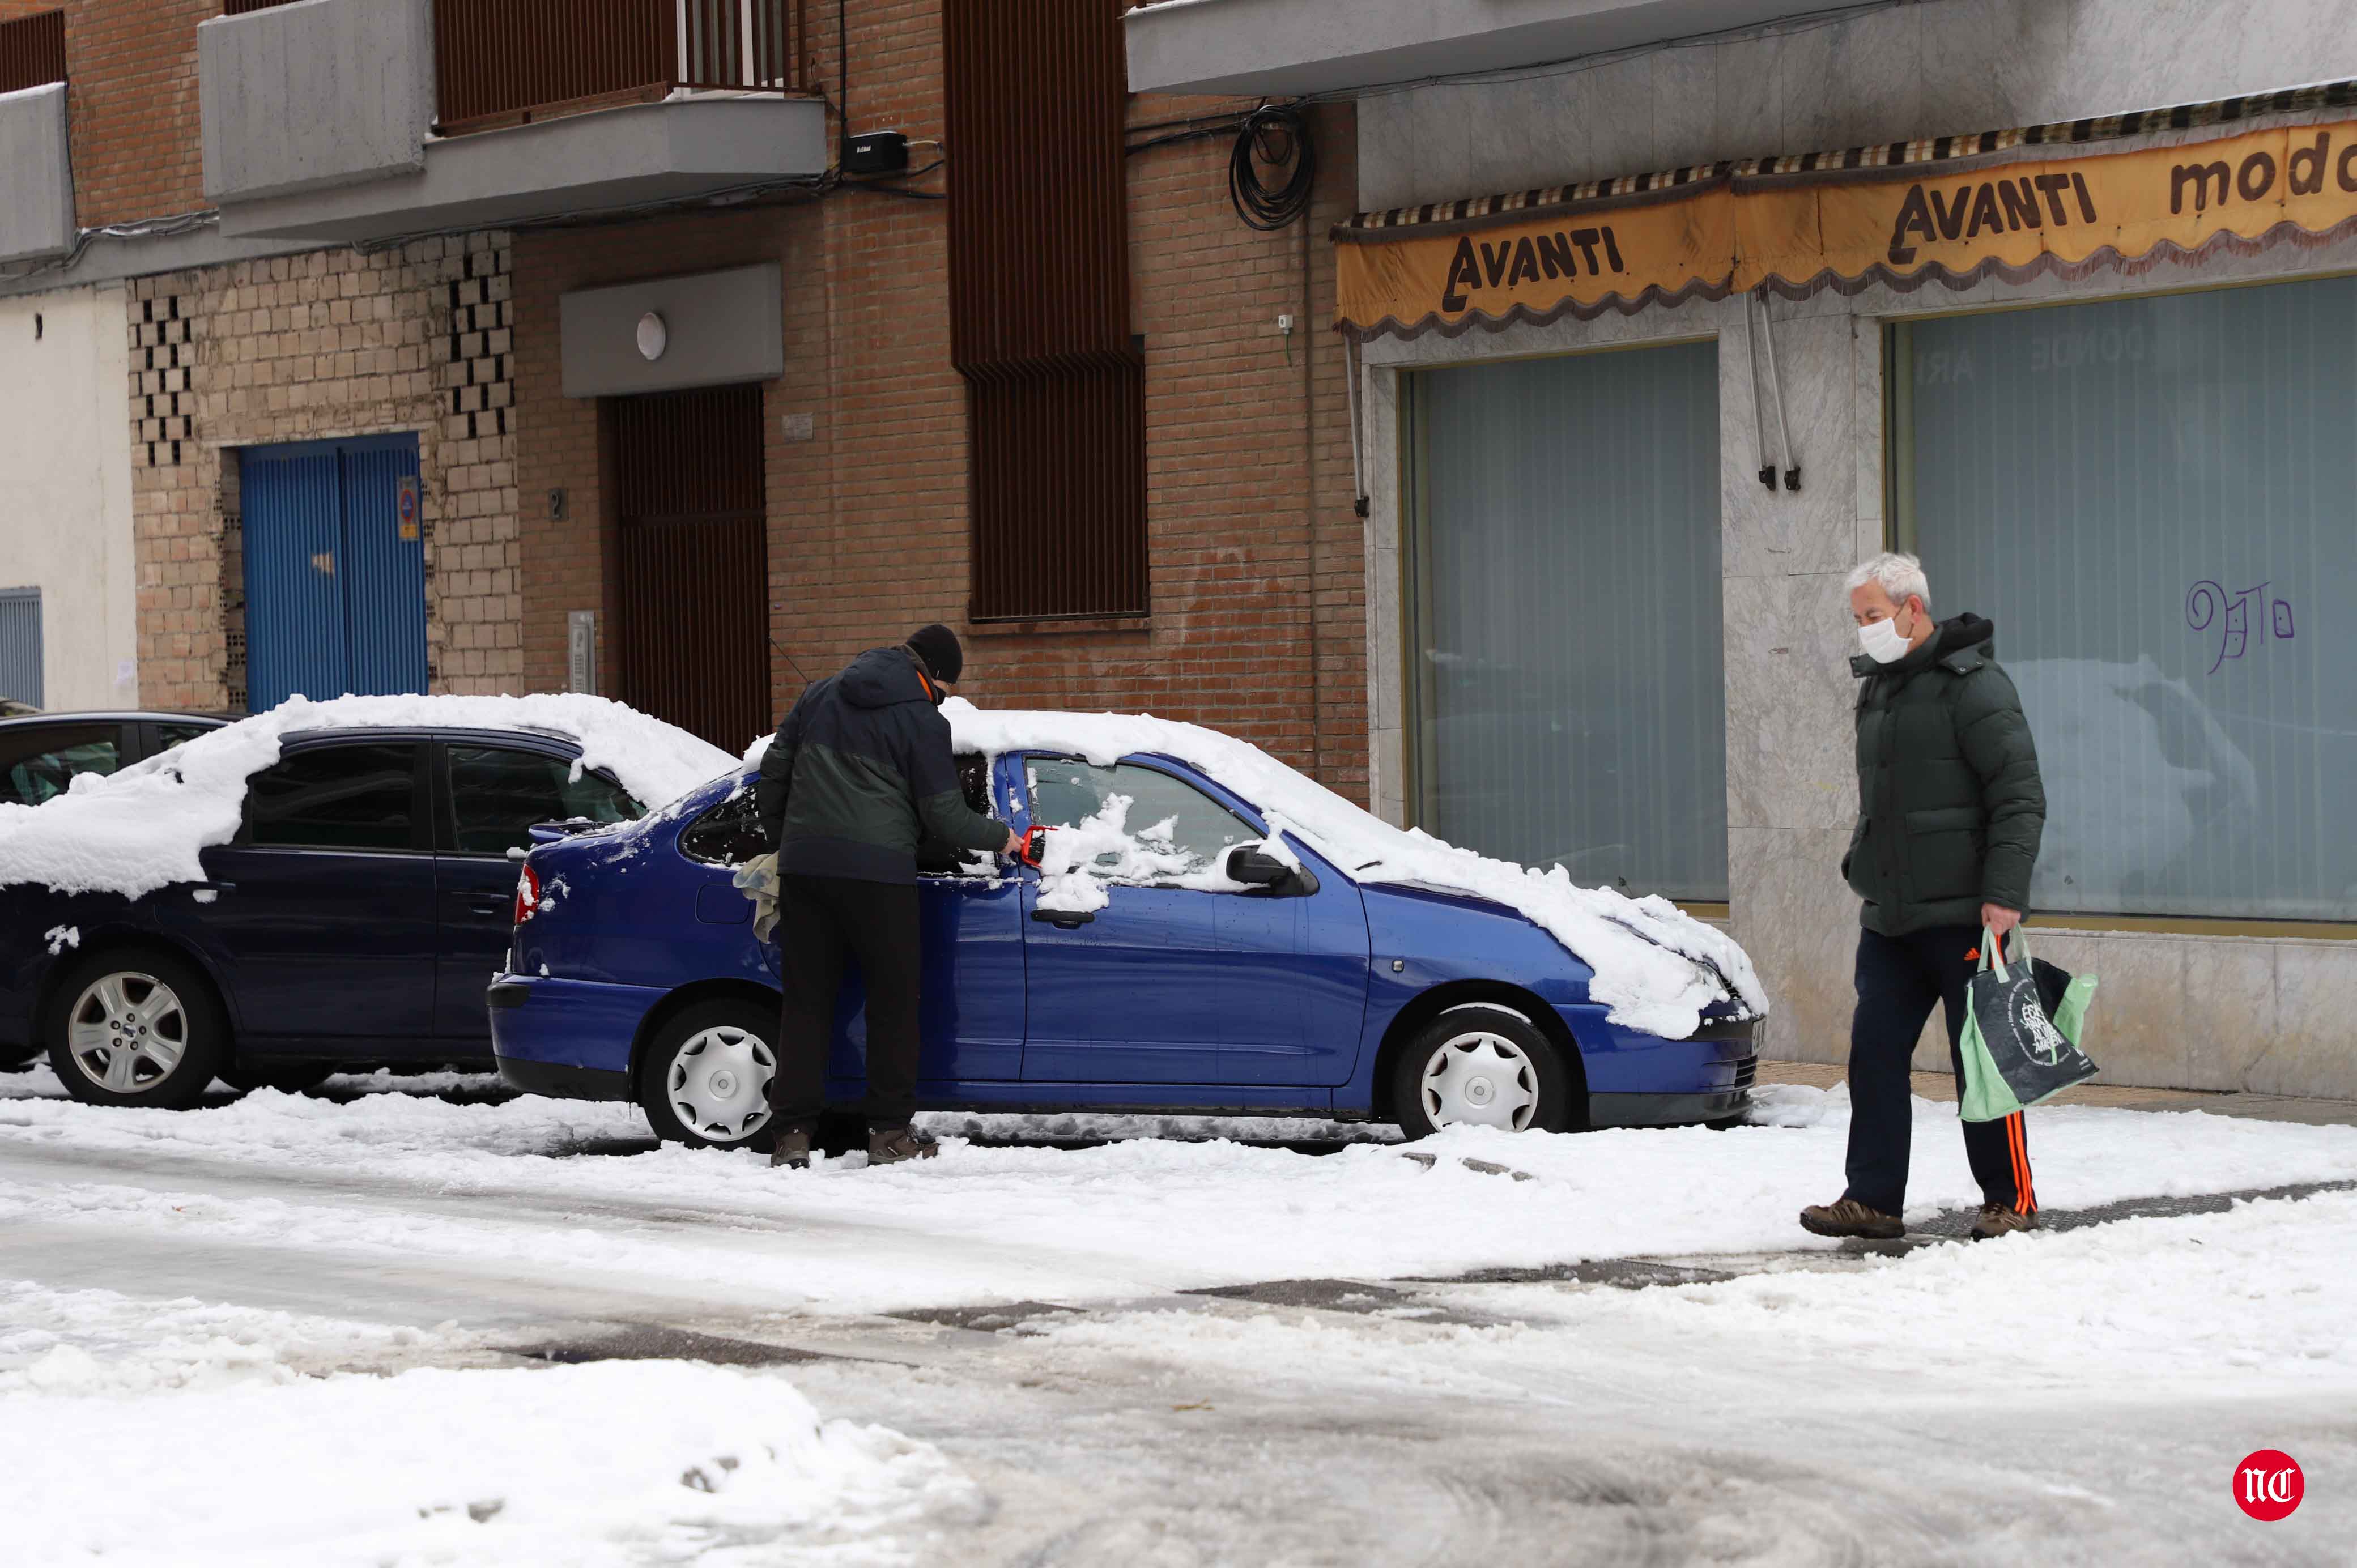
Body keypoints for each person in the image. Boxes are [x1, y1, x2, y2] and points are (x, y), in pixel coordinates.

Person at [1801, 553, 2048, 1243]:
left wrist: (2003, 893)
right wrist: (1862, 858)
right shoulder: (1878, 689)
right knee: (1873, 1053)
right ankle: (1872, 1199)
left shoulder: (1974, 686)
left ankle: (2009, 1198)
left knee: (1984, 1059)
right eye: (1858, 619)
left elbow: (2018, 797)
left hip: (1967, 912)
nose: (1865, 630)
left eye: (1873, 615)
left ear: (1913, 608)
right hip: (1889, 917)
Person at [754, 624, 1019, 1170]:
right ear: (936, 678)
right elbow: (942, 816)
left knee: (806, 1006)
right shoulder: (923, 720)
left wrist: (789, 842)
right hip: (878, 878)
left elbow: (774, 772)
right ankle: (889, 1134)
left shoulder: (818, 693)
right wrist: (1003, 838)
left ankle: (792, 1136)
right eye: (946, 691)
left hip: (807, 873)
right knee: (894, 1006)